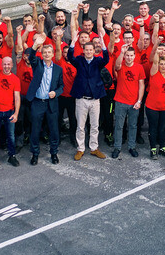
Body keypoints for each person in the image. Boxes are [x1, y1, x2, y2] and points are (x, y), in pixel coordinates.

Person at [68, 9, 110, 161]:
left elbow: (106, 58)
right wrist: (73, 41)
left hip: (95, 99)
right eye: (86, 49)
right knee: (80, 126)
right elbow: (69, 56)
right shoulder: (78, 61)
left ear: (93, 50)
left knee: (94, 126)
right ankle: (80, 148)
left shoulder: (98, 62)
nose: (88, 52)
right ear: (84, 50)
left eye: (91, 50)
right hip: (81, 99)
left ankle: (94, 147)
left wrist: (103, 42)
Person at [25, 37, 63, 165]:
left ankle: (54, 153)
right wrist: (35, 45)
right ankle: (35, 154)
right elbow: (31, 57)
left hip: (51, 103)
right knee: (35, 129)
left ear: (53, 54)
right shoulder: (38, 64)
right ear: (42, 54)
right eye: (45, 52)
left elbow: (61, 86)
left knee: (54, 130)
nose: (47, 54)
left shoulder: (58, 69)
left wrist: (56, 93)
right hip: (37, 102)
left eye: (49, 52)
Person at [0, 54, 21, 168]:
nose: (6, 66)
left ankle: (12, 156)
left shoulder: (15, 79)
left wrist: (16, 113)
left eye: (8, 64)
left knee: (11, 136)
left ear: (12, 65)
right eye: (4, 64)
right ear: (1, 65)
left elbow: (17, 97)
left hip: (9, 111)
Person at [111, 45, 145, 159]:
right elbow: (116, 65)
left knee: (133, 126)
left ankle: (131, 146)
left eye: (131, 55)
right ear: (124, 56)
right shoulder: (121, 66)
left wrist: (139, 101)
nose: (129, 58)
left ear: (135, 56)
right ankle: (117, 147)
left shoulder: (139, 67)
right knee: (119, 126)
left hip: (133, 102)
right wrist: (121, 52)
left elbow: (141, 85)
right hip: (120, 101)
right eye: (127, 56)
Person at [144, 48, 165, 158]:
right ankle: (153, 149)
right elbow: (155, 61)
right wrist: (157, 52)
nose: (163, 66)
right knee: (153, 128)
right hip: (152, 107)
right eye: (161, 64)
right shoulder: (154, 73)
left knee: (162, 129)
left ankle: (162, 147)